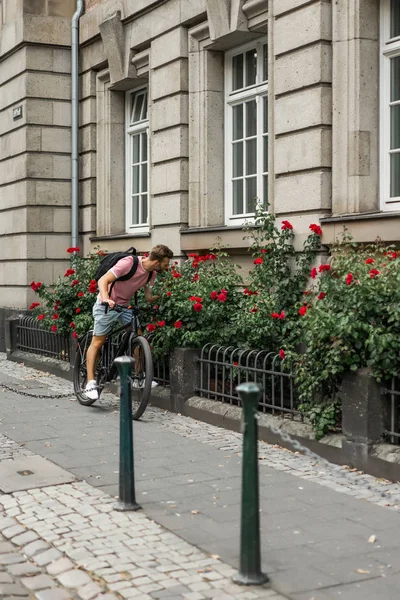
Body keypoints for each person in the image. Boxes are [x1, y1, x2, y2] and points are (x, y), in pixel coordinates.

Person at [84, 244, 173, 401]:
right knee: (97, 342)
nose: (167, 268)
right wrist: (106, 298)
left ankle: (140, 377)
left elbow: (148, 297)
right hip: (106, 305)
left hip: (124, 307)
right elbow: (103, 280)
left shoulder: (151, 274)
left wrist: (165, 297)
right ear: (157, 262)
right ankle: (90, 383)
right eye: (166, 264)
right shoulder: (128, 263)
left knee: (138, 338)